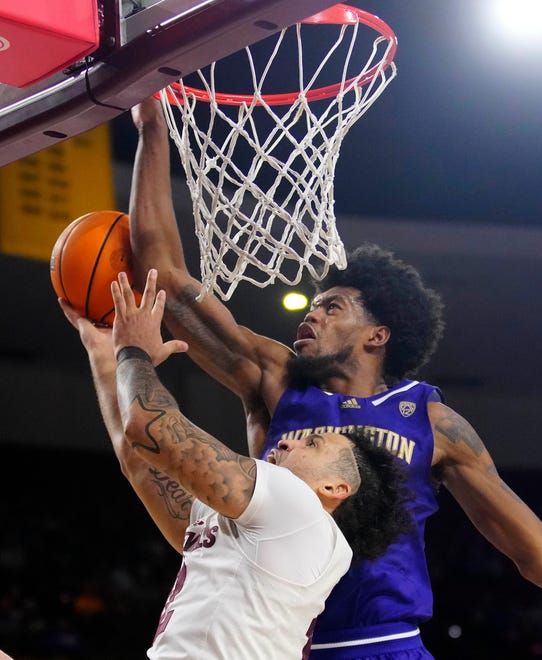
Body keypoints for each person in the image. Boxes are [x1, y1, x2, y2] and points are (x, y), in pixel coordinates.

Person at [127, 98, 542, 658]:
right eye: (315, 304)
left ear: (378, 335)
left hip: (386, 643)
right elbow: (168, 281)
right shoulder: (275, 380)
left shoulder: (432, 420)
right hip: (280, 642)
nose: (312, 314)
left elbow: (530, 549)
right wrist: (153, 132)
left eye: (333, 306)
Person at [60, 269, 411, 659]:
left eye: (312, 442)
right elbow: (140, 460)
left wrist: (133, 352)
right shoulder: (259, 533)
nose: (290, 438)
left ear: (334, 488)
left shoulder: (298, 507)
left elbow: (150, 429)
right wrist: (103, 353)